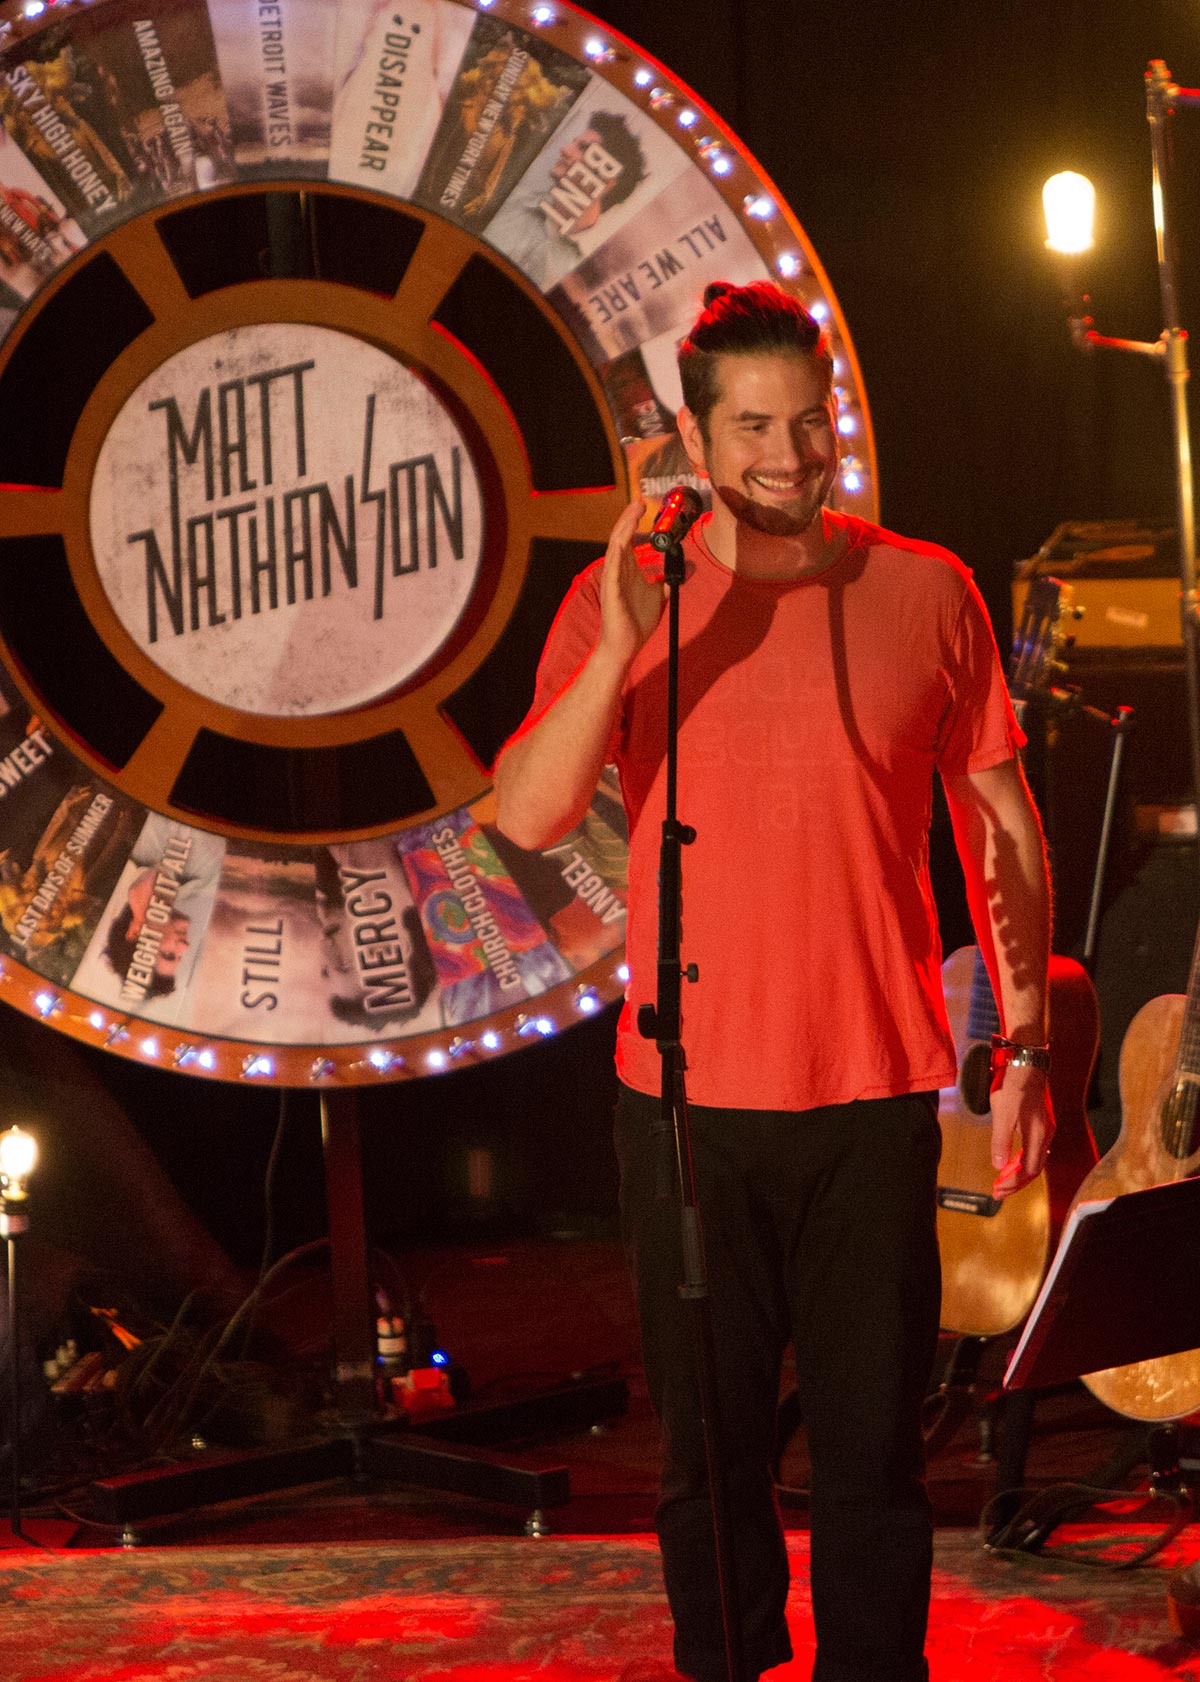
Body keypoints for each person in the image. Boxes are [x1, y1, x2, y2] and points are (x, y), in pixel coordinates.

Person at [494, 279, 1053, 1682]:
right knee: (709, 1463)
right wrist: (624, 634)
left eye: (810, 426)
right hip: (683, 1102)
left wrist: (1028, 1043)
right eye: (754, 427)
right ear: (691, 435)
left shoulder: (928, 588)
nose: (790, 458)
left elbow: (1003, 826)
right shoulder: (631, 593)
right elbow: (526, 812)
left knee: (872, 1462)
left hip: (872, 1096)